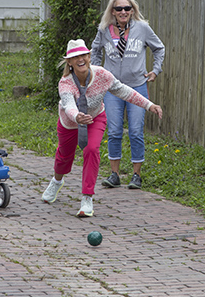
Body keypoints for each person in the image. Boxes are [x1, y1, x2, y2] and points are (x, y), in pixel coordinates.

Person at [42, 39, 163, 217]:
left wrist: (148, 105)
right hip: (70, 122)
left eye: (84, 55)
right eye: (76, 57)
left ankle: (87, 198)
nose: (81, 59)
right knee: (64, 157)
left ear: (89, 56)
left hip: (95, 118)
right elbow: (68, 105)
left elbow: (124, 91)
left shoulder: (102, 75)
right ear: (69, 61)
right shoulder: (65, 82)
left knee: (92, 149)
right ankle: (56, 181)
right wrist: (77, 116)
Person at [91, 0, 165, 190]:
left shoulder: (142, 28)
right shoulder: (104, 30)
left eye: (127, 8)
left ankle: (136, 175)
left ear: (132, 10)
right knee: (114, 131)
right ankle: (114, 174)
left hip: (137, 86)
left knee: (135, 131)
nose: (123, 12)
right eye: (119, 9)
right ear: (112, 12)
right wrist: (96, 74)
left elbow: (159, 48)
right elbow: (95, 50)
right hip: (112, 88)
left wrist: (155, 71)